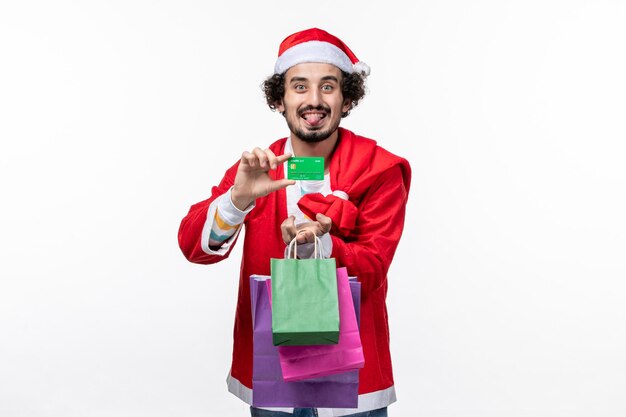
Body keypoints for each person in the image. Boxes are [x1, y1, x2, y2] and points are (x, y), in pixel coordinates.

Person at [178, 28, 411, 417]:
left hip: (355, 384)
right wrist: (237, 201)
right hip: (275, 377)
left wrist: (319, 245)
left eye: (328, 86)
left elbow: (372, 269)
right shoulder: (255, 170)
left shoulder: (380, 169)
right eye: (299, 86)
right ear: (279, 99)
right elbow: (193, 248)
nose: (314, 100)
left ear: (347, 97)